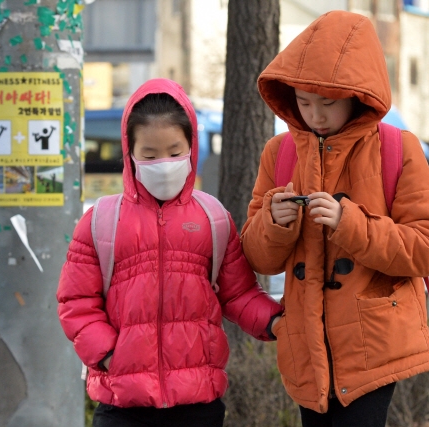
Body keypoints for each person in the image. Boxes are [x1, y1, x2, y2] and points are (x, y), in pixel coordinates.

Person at [240, 10, 429, 427]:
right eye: (302, 102)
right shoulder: (279, 153)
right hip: (304, 347)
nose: (315, 115)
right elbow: (258, 258)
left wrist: (349, 223)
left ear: (358, 95)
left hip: (375, 344)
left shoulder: (398, 148)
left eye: (328, 103)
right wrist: (273, 224)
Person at [57, 78, 282, 427]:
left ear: (191, 145)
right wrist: (107, 353)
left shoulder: (213, 218)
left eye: (175, 152)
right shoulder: (101, 220)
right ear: (129, 153)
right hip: (123, 405)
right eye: (149, 154)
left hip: (197, 403)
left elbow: (238, 293)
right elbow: (76, 302)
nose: (164, 163)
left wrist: (274, 321)